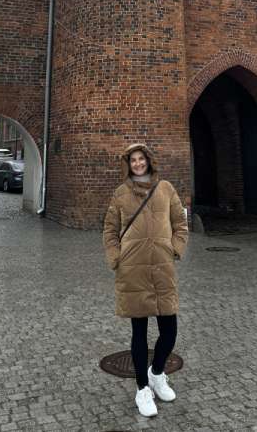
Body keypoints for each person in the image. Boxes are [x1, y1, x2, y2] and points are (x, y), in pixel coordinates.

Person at [102, 143, 189, 417]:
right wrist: (116, 257)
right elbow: (110, 229)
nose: (138, 164)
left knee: (169, 331)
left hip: (162, 268)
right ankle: (142, 389)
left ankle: (157, 372)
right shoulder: (121, 193)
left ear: (149, 161)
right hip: (134, 270)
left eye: (141, 159)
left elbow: (180, 223)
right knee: (138, 334)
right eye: (133, 160)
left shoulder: (165, 189)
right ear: (128, 164)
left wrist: (175, 249)